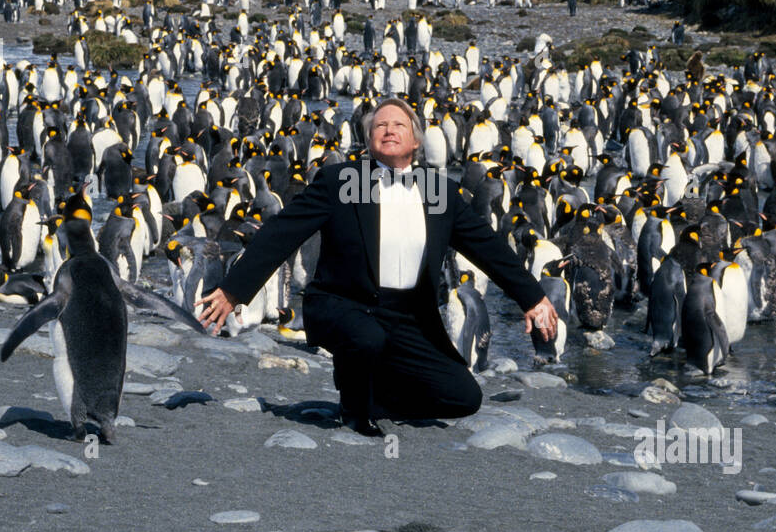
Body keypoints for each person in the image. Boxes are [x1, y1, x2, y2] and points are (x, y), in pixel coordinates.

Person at [196, 97, 559, 436]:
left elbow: (488, 248)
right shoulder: (341, 182)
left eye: (398, 124)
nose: (388, 129)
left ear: (416, 141)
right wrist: (234, 289)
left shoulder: (439, 192)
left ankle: (377, 396)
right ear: (369, 140)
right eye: (380, 125)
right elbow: (282, 233)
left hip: (407, 316)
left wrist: (532, 297)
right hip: (345, 304)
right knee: (366, 337)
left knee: (463, 397)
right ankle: (355, 407)